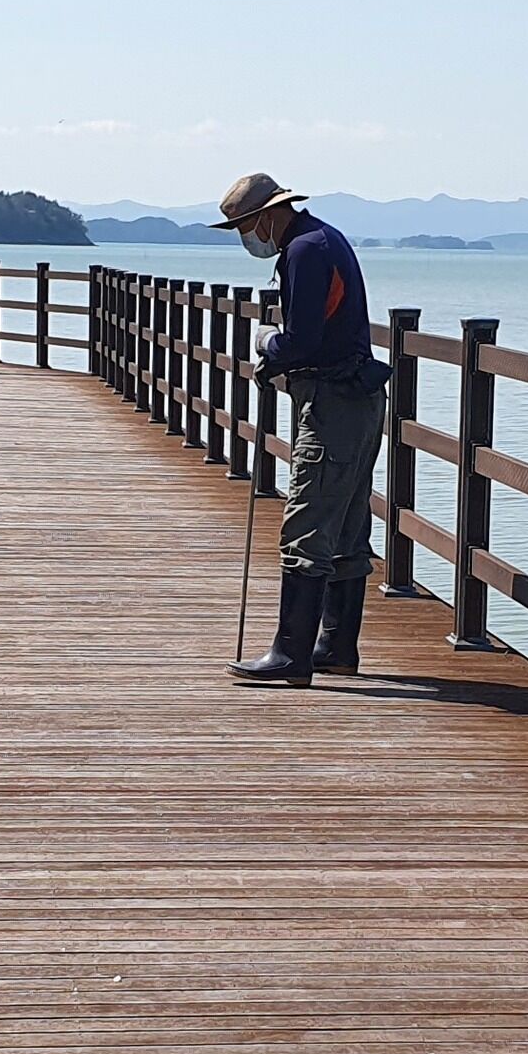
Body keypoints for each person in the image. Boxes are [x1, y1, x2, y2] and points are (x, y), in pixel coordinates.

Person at [214, 171, 389, 685]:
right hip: (360, 398)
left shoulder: (304, 251)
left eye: (247, 225)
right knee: (349, 523)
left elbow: (305, 339)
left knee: (307, 521)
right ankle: (335, 646)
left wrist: (268, 343)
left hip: (332, 401)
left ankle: (290, 655)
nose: (249, 237)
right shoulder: (326, 238)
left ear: (267, 215)